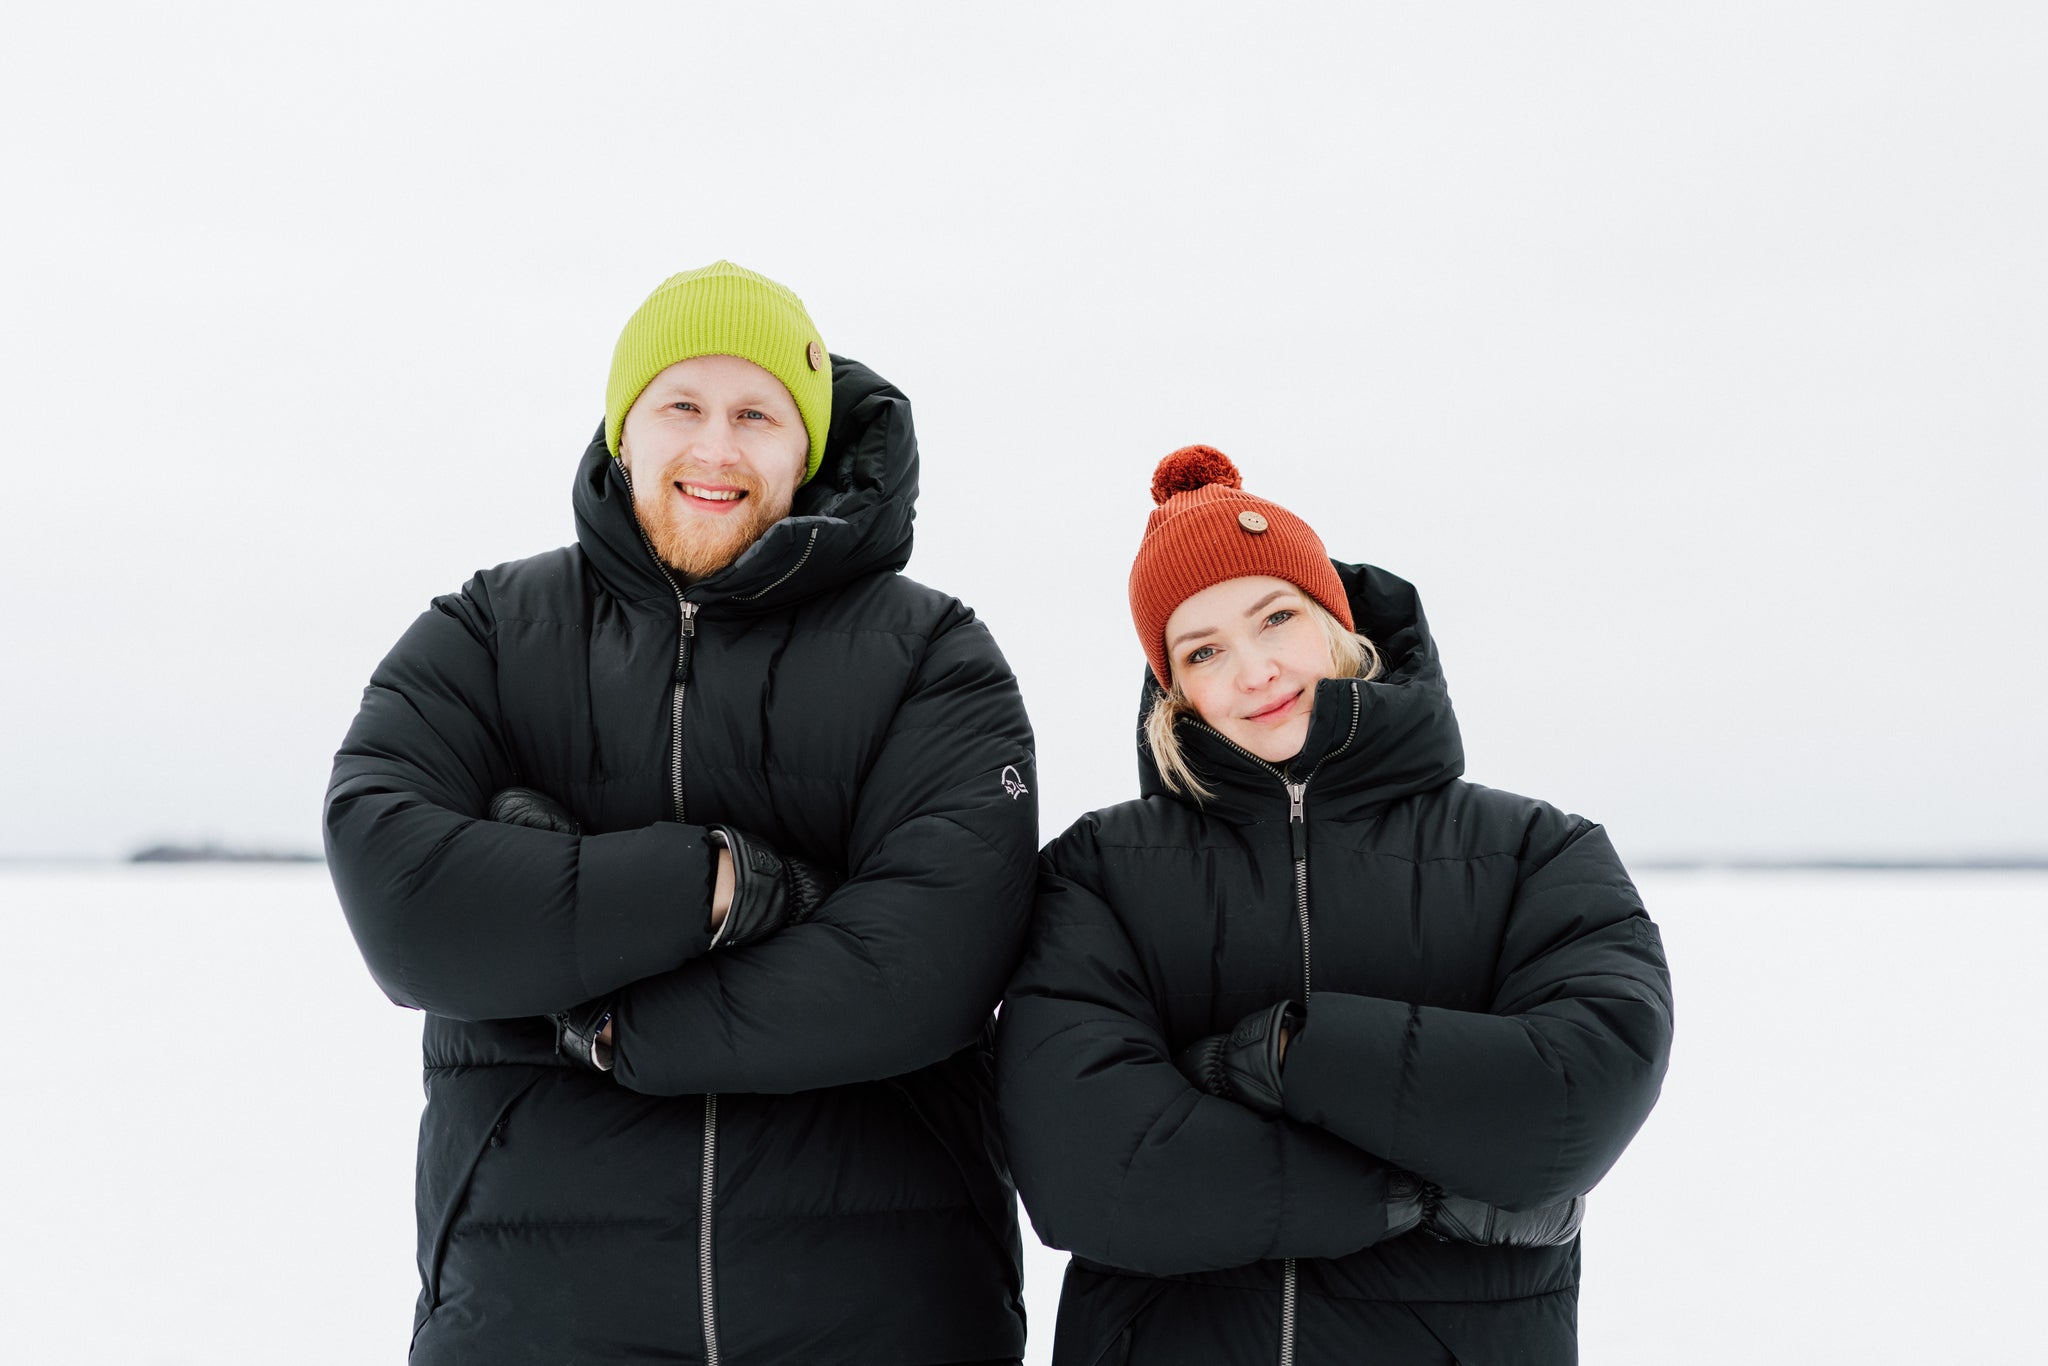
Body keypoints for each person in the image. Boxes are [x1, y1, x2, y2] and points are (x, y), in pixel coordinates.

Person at [326, 261, 1038, 1365]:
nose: (717, 448)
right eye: (681, 406)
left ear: (802, 448)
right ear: (624, 430)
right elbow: (406, 898)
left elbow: (926, 964)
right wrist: (717, 886)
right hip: (532, 1316)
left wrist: (599, 1014)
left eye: (757, 413)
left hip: (881, 1311)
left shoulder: (930, 655)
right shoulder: (485, 633)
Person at [997, 446, 1673, 1364]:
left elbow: (1572, 1097)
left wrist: (1272, 1058)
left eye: (1275, 617)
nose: (1254, 670)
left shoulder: (1535, 853)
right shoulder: (1096, 873)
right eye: (1203, 650)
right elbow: (1089, 1169)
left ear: (1336, 624)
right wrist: (1426, 1192)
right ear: (1175, 691)